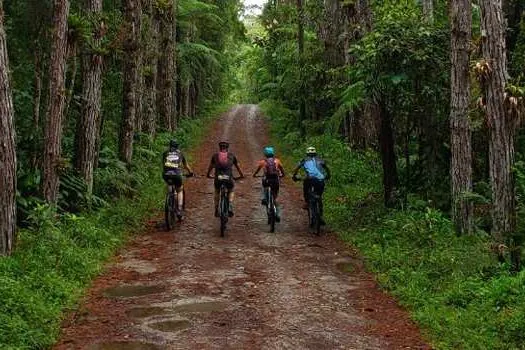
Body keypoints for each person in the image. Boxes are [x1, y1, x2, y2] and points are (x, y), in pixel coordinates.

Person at [292, 146, 331, 224]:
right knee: (319, 197)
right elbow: (327, 169)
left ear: (307, 153)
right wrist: (328, 176)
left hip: (309, 179)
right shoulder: (320, 159)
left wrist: (294, 176)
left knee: (306, 188)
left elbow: (297, 168)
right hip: (320, 180)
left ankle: (307, 202)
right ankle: (320, 216)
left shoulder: (304, 160)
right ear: (315, 153)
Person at [206, 141, 244, 217]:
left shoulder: (215, 156)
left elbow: (210, 167)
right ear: (227, 148)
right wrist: (241, 175)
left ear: (220, 148)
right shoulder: (231, 156)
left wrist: (208, 175)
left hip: (218, 178)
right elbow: (238, 167)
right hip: (228, 178)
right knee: (231, 190)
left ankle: (216, 209)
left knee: (217, 191)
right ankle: (230, 204)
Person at [162, 139, 194, 219]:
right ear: (177, 146)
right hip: (177, 174)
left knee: (169, 184)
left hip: (166, 174)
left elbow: (164, 164)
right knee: (179, 190)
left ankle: (169, 196)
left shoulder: (165, 153)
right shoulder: (180, 153)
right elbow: (186, 165)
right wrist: (191, 172)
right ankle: (179, 209)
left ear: (170, 145)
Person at [253, 146, 285, 222]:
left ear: (265, 154)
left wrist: (254, 175)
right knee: (274, 198)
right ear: (273, 153)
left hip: (267, 180)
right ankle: (277, 214)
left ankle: (264, 197)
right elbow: (282, 170)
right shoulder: (277, 161)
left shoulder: (262, 162)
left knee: (264, 187)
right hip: (275, 181)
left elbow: (257, 171)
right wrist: (282, 175)